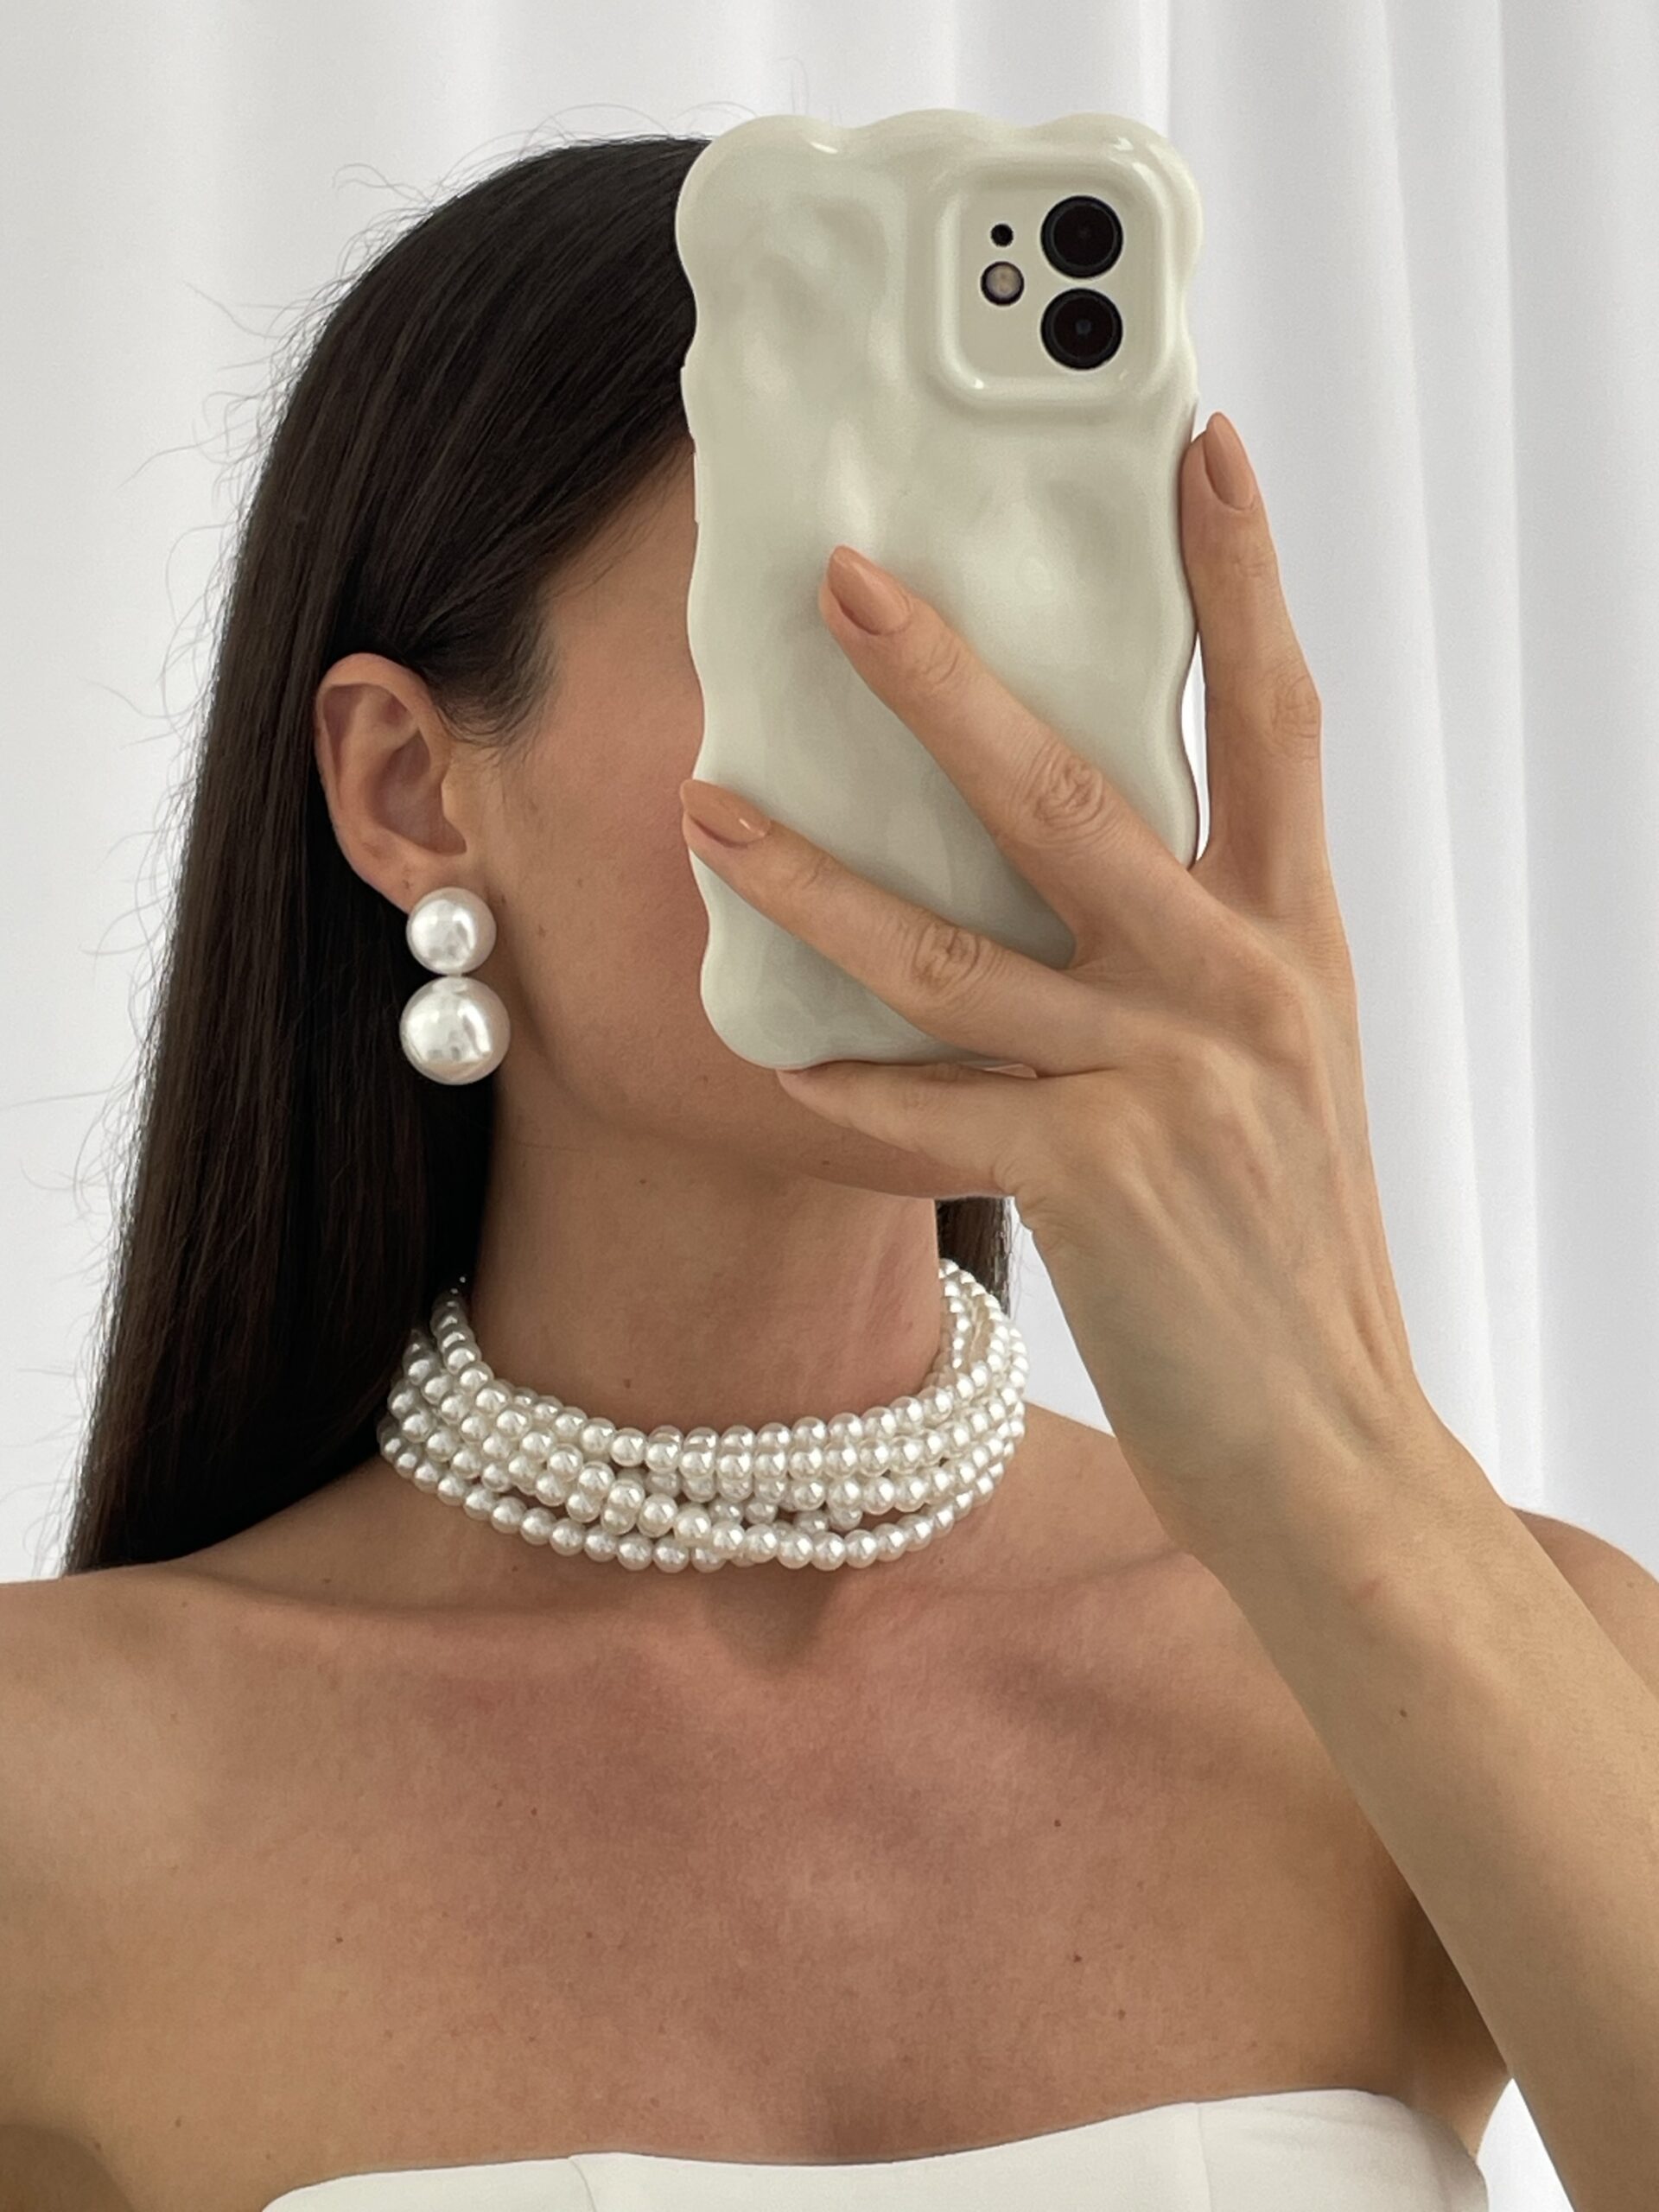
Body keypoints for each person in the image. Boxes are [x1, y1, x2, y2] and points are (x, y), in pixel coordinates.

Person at [0, 130, 1566, 2212]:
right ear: (411, 791)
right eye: (817, 629)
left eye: (1029, 622)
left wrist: (1345, 1452)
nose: (987, 751)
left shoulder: (1501, 1657)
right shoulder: (55, 1793)